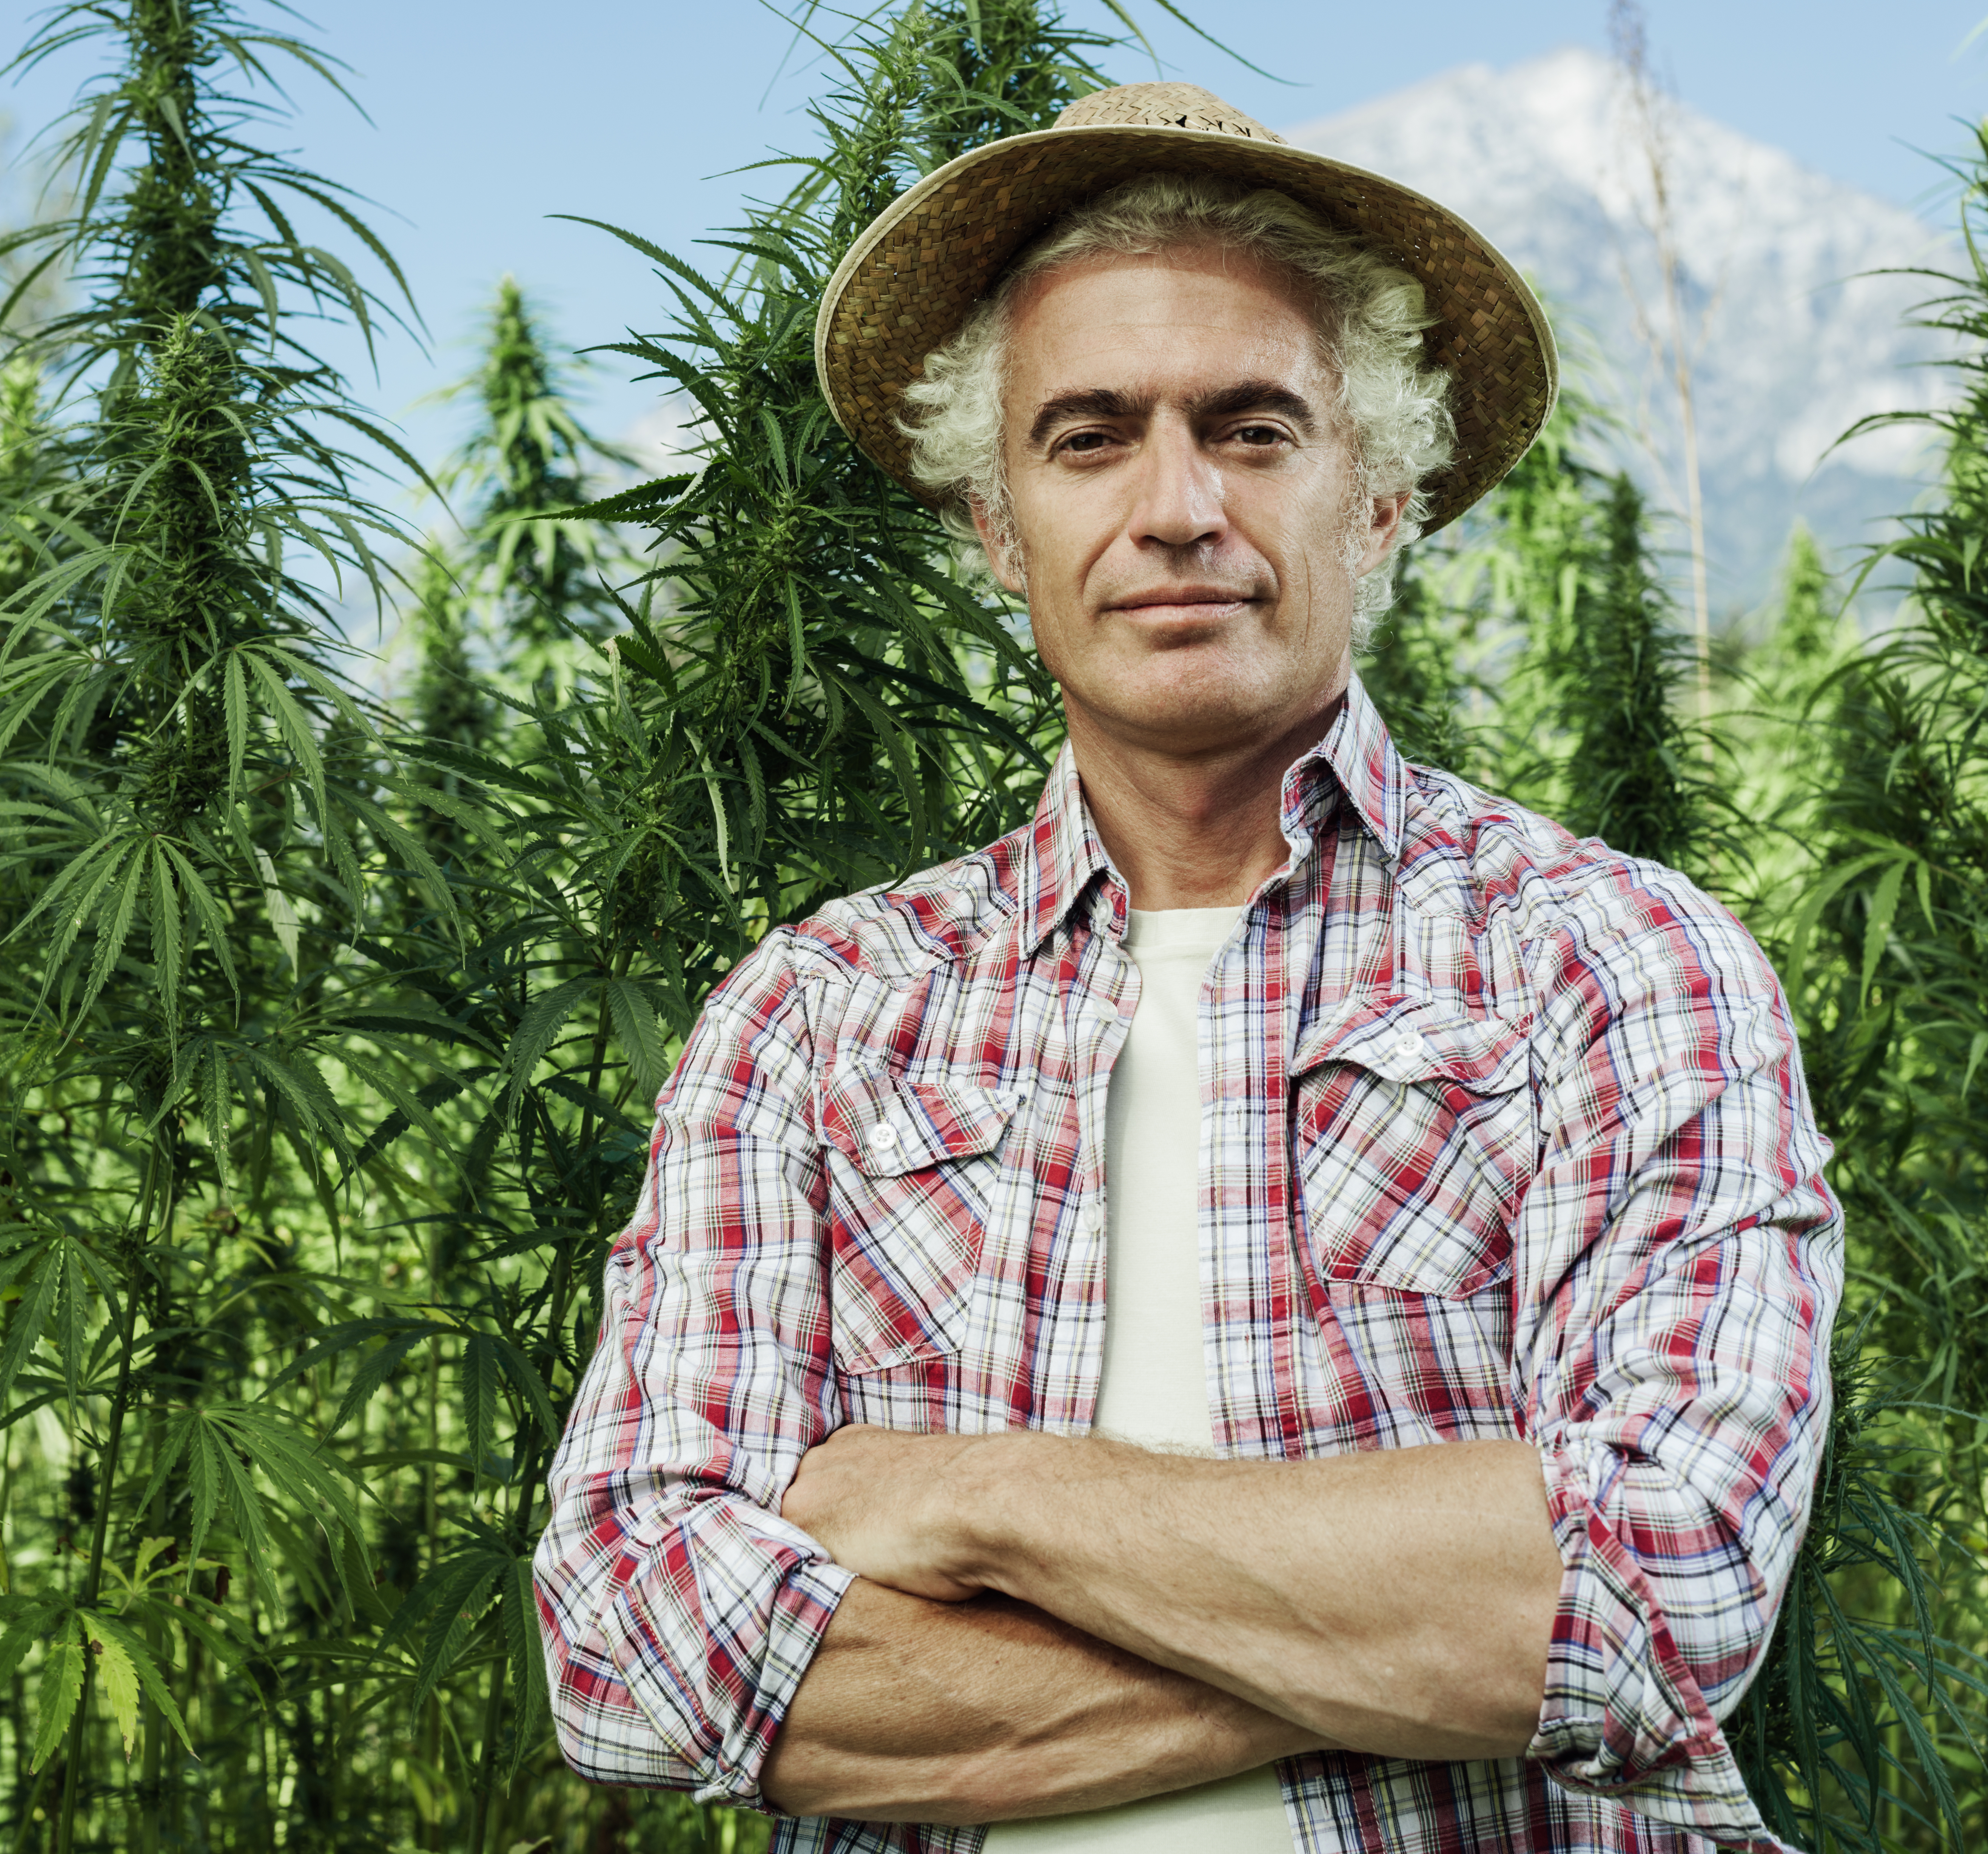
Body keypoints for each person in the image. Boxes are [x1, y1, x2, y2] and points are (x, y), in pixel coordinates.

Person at [536, 81, 1842, 1854]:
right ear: (998, 530)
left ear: (1380, 500)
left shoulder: (1611, 961)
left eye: (1251, 428)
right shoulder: (821, 1013)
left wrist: (973, 1500)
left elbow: (1657, 1593)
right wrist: (1416, 1634)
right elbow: (629, 1640)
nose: (1173, 506)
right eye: (1086, 438)